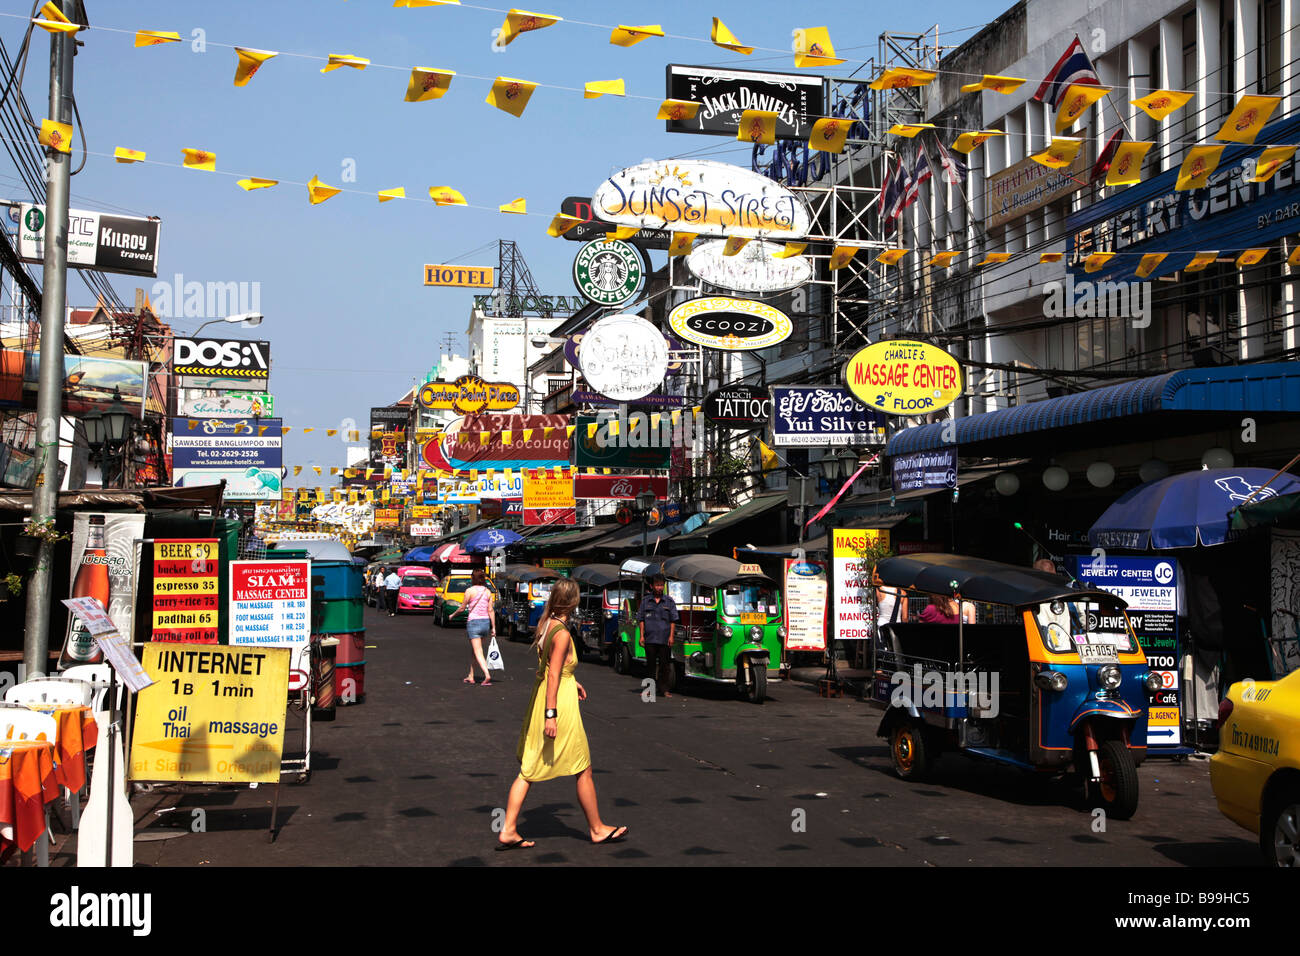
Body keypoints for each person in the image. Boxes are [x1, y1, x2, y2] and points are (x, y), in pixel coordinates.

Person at [497, 578, 627, 851]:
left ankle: (508, 828)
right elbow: (554, 673)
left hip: (550, 696)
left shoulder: (547, 624)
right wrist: (551, 715)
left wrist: (572, 680)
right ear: (573, 602)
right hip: (558, 705)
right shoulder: (563, 633)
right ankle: (597, 828)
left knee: (530, 769)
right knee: (582, 768)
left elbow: (554, 669)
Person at [637, 574, 678, 699]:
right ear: (652, 586)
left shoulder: (669, 602)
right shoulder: (645, 601)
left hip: (664, 639)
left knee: (665, 666)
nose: (660, 588)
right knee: (650, 665)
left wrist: (671, 637)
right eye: (657, 585)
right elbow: (641, 619)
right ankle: (649, 689)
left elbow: (673, 620)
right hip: (650, 638)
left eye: (661, 585)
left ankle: (664, 689)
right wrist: (641, 636)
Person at [459, 568, 496, 685]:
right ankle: (471, 675)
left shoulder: (469, 591)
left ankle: (487, 674)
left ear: (473, 578)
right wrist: (493, 627)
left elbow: (462, 608)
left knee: (478, 651)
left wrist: (452, 615)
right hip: (485, 623)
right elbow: (491, 610)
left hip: (474, 623)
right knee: (475, 651)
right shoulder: (488, 592)